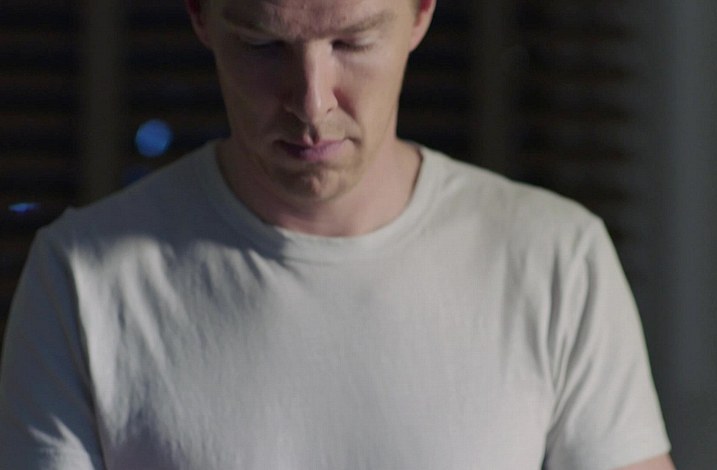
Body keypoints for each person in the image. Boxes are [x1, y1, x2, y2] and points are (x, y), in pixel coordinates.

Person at [0, 0, 675, 468]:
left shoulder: (556, 259)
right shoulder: (80, 280)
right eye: (264, 46)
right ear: (200, 16)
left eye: (351, 43)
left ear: (420, 14)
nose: (312, 102)